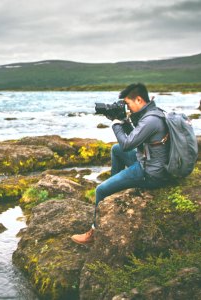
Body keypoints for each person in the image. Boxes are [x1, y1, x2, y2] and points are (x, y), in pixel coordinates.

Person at [71, 83, 170, 244]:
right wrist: (125, 121)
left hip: (151, 173)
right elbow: (136, 141)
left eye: (128, 104)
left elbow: (127, 144)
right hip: (149, 160)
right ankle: (114, 191)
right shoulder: (154, 114)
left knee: (100, 189)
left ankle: (93, 232)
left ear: (139, 99)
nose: (127, 108)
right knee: (116, 150)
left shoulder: (150, 120)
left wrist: (117, 124)